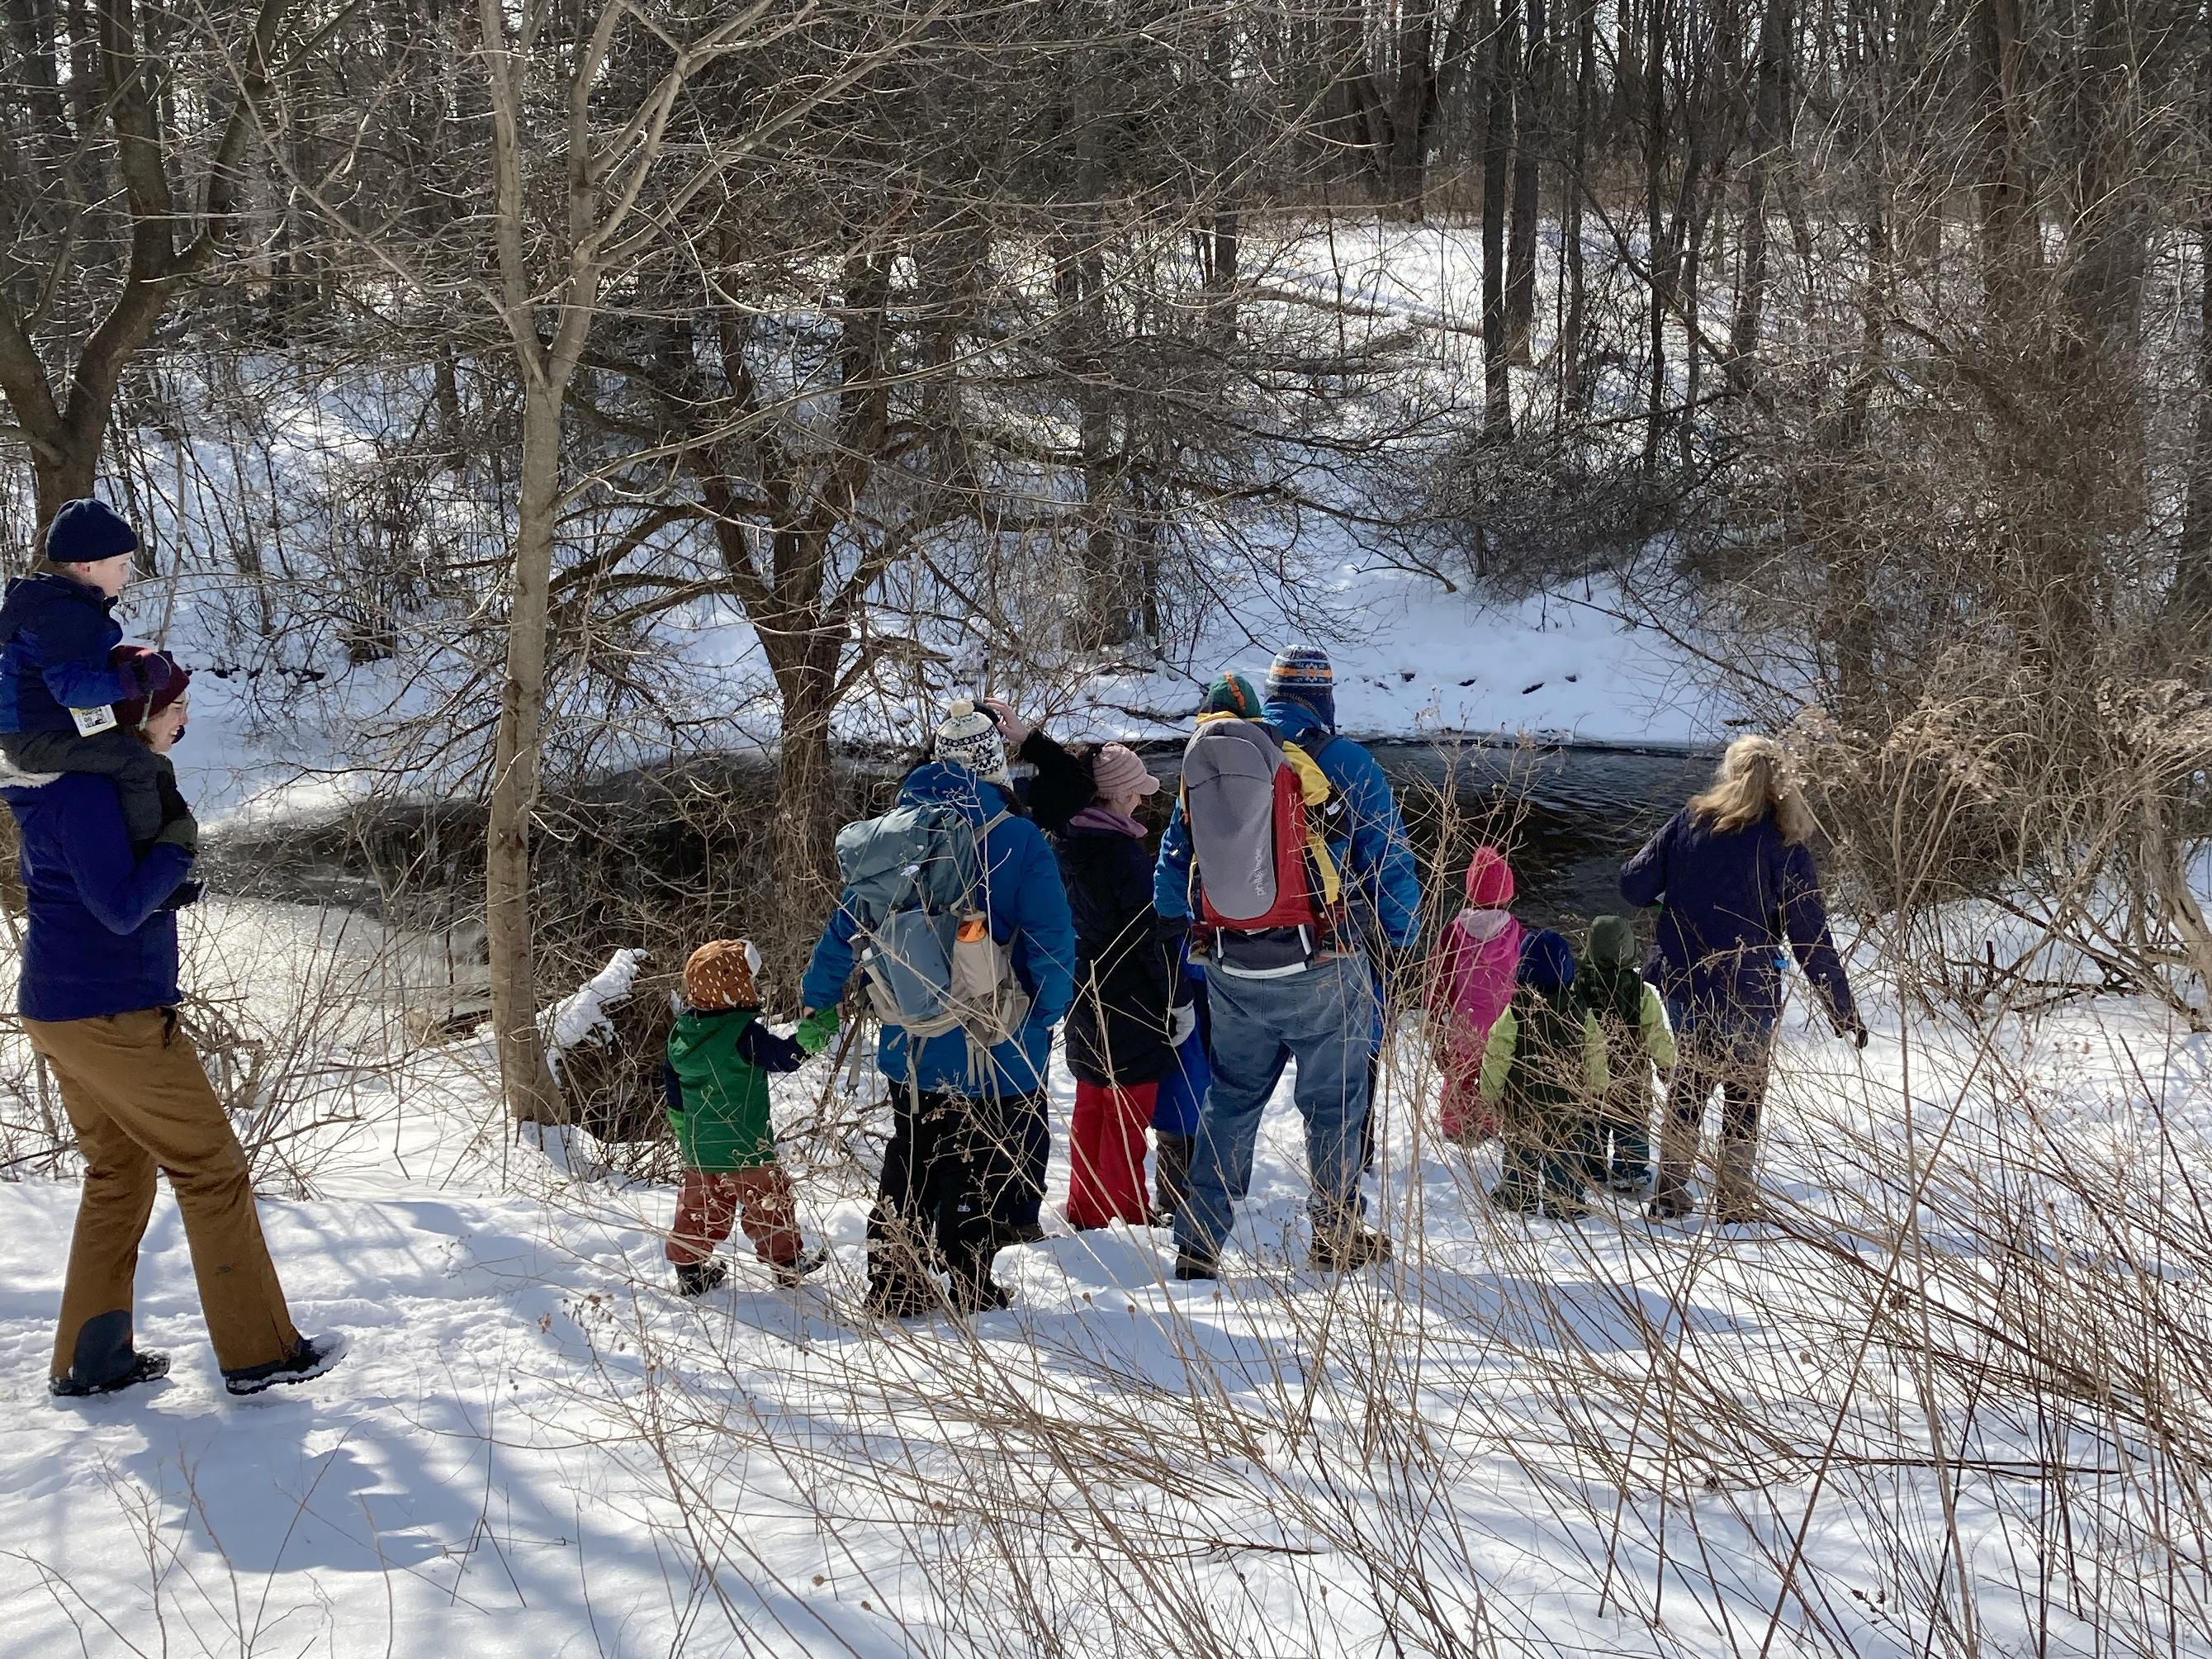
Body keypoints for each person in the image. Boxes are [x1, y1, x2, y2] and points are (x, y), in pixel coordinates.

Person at [5, 661, 343, 1398]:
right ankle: (260, 1352)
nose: (184, 722)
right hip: (110, 1012)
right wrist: (175, 852)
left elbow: (106, 893)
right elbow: (120, 907)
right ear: (135, 715)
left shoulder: (84, 783)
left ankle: (91, 1360)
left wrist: (165, 871)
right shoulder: (89, 792)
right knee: (210, 1167)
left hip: (70, 1006)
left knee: (119, 1173)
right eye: (176, 708)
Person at [796, 701, 1075, 1316]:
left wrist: (818, 1004)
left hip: (911, 1037)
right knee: (979, 1160)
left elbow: (844, 931)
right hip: (996, 1040)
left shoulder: (891, 838)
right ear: (992, 764)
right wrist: (1044, 1016)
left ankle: (892, 1280)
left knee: (914, 1151)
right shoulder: (1017, 838)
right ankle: (972, 1279)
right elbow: (1051, 942)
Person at [1153, 664, 1413, 1278]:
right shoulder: (1343, 760)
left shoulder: (1211, 761)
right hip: (1324, 962)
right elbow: (1390, 860)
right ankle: (1335, 1232)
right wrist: (1402, 944)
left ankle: (1198, 1241)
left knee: (1232, 1099)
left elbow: (1169, 882)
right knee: (1334, 1104)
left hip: (1231, 965)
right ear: (1324, 696)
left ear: (1272, 696)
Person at [1619, 734, 1863, 1224]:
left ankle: (1669, 1193)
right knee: (1745, 1092)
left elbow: (1632, 885)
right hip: (1749, 988)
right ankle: (1732, 1200)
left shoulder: (1689, 823)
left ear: (1730, 775)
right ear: (1781, 785)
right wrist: (1841, 1006)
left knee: (1688, 1085)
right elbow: (1810, 936)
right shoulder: (1785, 845)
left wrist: (1675, 895)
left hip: (1685, 979)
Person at [1054, 743, 1186, 1230]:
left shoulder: (1066, 843)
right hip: (1130, 998)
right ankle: (1128, 1214)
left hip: (1084, 989)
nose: (1140, 802)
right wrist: (1178, 998)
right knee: (1127, 1114)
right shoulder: (1125, 857)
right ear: (1119, 795)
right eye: (1136, 792)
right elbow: (1148, 938)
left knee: (1092, 1101)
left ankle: (1086, 1208)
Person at [0, 499, 178, 846]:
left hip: (43, 728)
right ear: (86, 567)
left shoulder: (63, 606)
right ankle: (142, 858)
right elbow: (74, 690)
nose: (128, 575)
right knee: (136, 764)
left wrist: (133, 668)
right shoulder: (65, 616)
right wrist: (137, 680)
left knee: (138, 754)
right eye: (123, 565)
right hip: (34, 738)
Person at [662, 939, 831, 1295]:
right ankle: (786, 1263)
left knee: (702, 1207)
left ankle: (690, 1269)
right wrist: (815, 1031)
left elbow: (674, 1091)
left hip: (699, 1146)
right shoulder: (742, 1035)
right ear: (735, 988)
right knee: (770, 1200)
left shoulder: (681, 1036)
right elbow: (786, 1058)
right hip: (744, 1144)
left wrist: (683, 1130)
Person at [1478, 928, 1608, 1220]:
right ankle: (1564, 1201)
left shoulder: (1516, 1012)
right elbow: (1595, 1053)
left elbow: (1497, 1055)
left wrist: (1491, 1091)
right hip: (1567, 1104)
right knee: (1565, 1153)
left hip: (1521, 1102)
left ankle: (1518, 1196)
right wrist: (1597, 1089)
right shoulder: (1579, 1013)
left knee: (1520, 1152)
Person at [1575, 915, 1677, 1195]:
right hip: (1630, 1075)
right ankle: (1629, 1171)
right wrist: (1666, 1064)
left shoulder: (1577, 986)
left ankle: (1590, 1167)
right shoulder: (1639, 992)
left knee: (1590, 1121)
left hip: (1587, 1075)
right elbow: (1655, 1032)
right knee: (1631, 1122)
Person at [1428, 845, 1522, 1146]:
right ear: (1508, 893)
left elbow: (1437, 980)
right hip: (1503, 1022)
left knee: (1459, 1076)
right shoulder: (1517, 932)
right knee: (1495, 1075)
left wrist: (1434, 1018)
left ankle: (1456, 1130)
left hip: (1464, 1020)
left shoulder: (1454, 932)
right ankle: (1489, 1124)